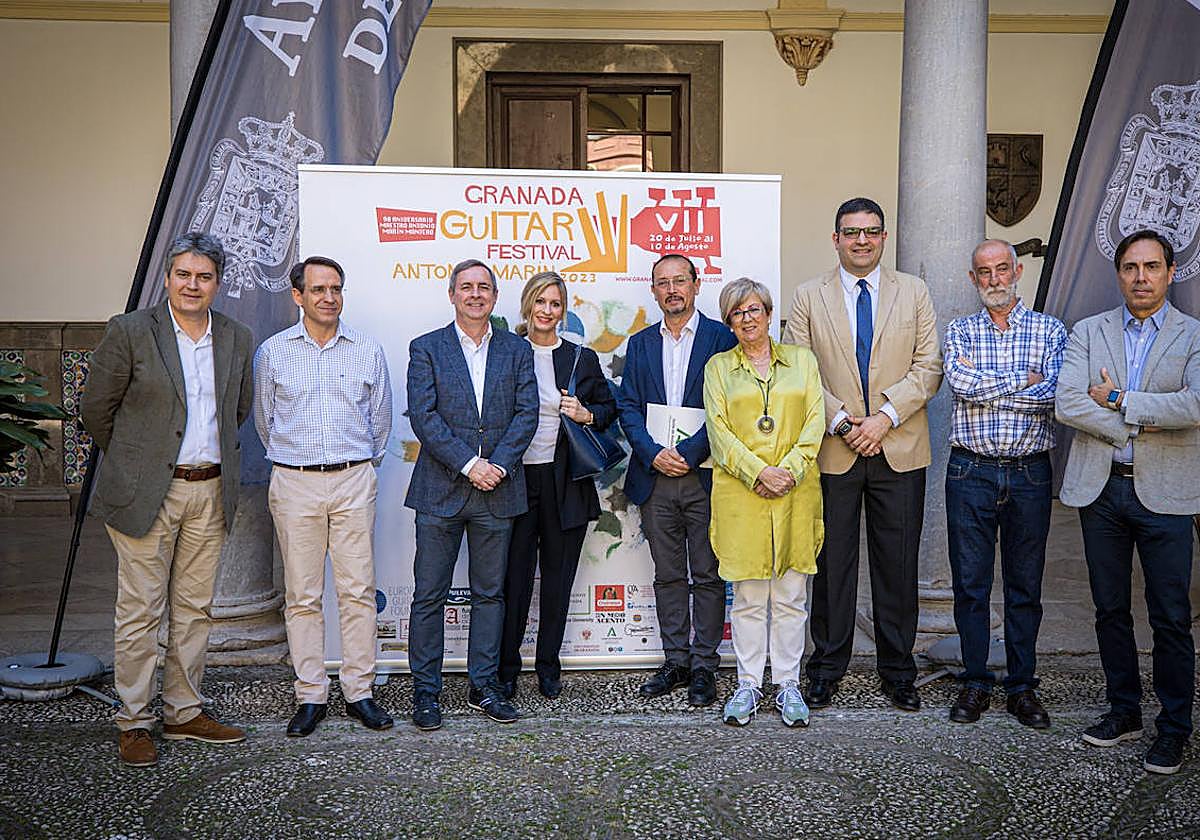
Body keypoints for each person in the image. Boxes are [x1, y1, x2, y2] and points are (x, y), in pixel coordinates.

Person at [81, 231, 255, 767]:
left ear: (218, 284)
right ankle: (134, 720)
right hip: (147, 493)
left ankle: (183, 712)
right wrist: (140, 462)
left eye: (204, 277)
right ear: (167, 277)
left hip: (210, 489)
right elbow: (95, 410)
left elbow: (238, 411)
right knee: (139, 610)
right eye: (184, 274)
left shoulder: (235, 336)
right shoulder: (131, 331)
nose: (193, 285)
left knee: (195, 609)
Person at [782, 197, 942, 712]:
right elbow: (799, 370)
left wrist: (884, 418)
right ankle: (826, 668)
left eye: (871, 232)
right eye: (851, 232)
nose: (862, 241)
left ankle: (898, 671)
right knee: (832, 566)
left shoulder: (913, 292)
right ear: (835, 239)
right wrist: (845, 423)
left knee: (896, 566)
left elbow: (929, 366)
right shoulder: (809, 296)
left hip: (898, 446)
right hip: (835, 448)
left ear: (884, 237)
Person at [1055, 228, 1199, 775]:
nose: (1141, 277)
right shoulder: (1089, 332)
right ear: (1119, 274)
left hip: (1167, 494)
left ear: (1169, 272)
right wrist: (1133, 428)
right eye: (1131, 268)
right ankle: (1124, 711)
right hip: (1102, 490)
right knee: (1110, 609)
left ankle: (1174, 728)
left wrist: (1118, 401)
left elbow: (1193, 405)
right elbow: (1068, 401)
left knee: (1170, 617)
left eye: (1152, 267)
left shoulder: (1193, 335)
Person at [254, 256, 395, 737]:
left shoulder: (367, 350)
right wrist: (299, 462)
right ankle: (311, 695)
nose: (328, 297)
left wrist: (356, 464)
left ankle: (360, 692)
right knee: (302, 596)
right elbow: (264, 421)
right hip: (294, 483)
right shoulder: (272, 353)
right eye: (318, 289)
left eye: (336, 288)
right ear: (298, 296)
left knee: (357, 592)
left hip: (354, 478)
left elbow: (380, 424)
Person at [406, 259, 538, 730]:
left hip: (498, 491)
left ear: (495, 297)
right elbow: (424, 417)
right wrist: (469, 464)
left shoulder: (516, 350)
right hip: (441, 489)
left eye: (484, 287)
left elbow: (527, 413)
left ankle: (484, 687)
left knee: (490, 595)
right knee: (429, 596)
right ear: (452, 294)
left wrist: (497, 465)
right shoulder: (426, 348)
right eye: (467, 287)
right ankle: (426, 693)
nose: (475, 294)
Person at [942, 239, 1066, 728]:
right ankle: (975, 682)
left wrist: (991, 382)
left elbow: (1052, 394)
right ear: (973, 279)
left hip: (1030, 472)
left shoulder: (1050, 329)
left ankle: (1022, 687)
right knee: (970, 585)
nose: (994, 279)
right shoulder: (961, 331)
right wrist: (1022, 379)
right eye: (983, 272)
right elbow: (960, 385)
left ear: (1017, 272)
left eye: (1001, 269)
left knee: (1024, 586)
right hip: (970, 470)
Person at [703, 278, 824, 727]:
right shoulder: (718, 369)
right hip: (742, 494)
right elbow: (719, 432)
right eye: (737, 313)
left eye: (754, 309)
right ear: (729, 322)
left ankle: (789, 683)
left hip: (795, 492)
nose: (748, 319)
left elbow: (815, 422)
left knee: (792, 595)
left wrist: (786, 471)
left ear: (770, 314)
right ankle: (749, 684)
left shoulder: (802, 362)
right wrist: (759, 472)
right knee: (750, 597)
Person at [617, 253, 737, 707]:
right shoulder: (641, 343)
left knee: (707, 574)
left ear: (696, 284)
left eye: (679, 281)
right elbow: (628, 406)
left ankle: (705, 664)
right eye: (663, 282)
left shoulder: (721, 338)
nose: (672, 289)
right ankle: (676, 660)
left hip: (704, 475)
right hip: (655, 477)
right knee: (668, 575)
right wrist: (653, 453)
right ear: (653, 290)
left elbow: (729, 407)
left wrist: (688, 453)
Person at [498, 271, 618, 701]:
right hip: (512, 481)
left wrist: (586, 413)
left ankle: (548, 665)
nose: (547, 311)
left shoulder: (579, 358)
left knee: (557, 579)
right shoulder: (506, 351)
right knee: (513, 581)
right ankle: (506, 668)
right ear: (527, 305)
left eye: (555, 304)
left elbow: (608, 408)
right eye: (540, 302)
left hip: (564, 481)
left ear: (562, 310)